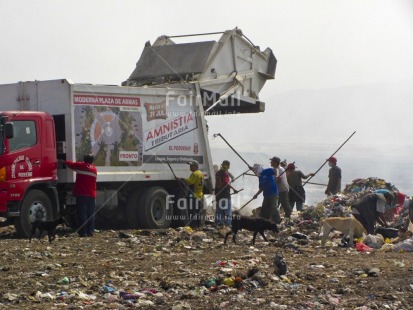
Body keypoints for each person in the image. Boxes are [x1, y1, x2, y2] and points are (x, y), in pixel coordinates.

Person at [62, 154, 97, 237]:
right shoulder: (94, 169)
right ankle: (90, 232)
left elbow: (70, 164)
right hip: (92, 195)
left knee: (82, 214)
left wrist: (62, 161)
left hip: (82, 194)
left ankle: (83, 232)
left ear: (84, 160)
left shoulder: (81, 166)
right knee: (91, 214)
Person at [177, 160, 204, 227]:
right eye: (190, 165)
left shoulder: (194, 174)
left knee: (192, 212)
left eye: (191, 165)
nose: (190, 167)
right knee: (198, 212)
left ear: (196, 166)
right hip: (200, 195)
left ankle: (193, 227)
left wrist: (180, 179)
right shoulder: (201, 173)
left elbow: (189, 182)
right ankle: (199, 226)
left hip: (193, 196)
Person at [214, 160, 239, 226]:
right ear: (228, 166)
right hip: (225, 194)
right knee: (227, 210)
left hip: (218, 194)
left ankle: (218, 223)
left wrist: (232, 178)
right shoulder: (224, 173)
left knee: (219, 210)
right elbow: (226, 183)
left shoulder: (218, 173)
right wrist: (234, 189)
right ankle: (227, 224)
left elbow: (230, 175)